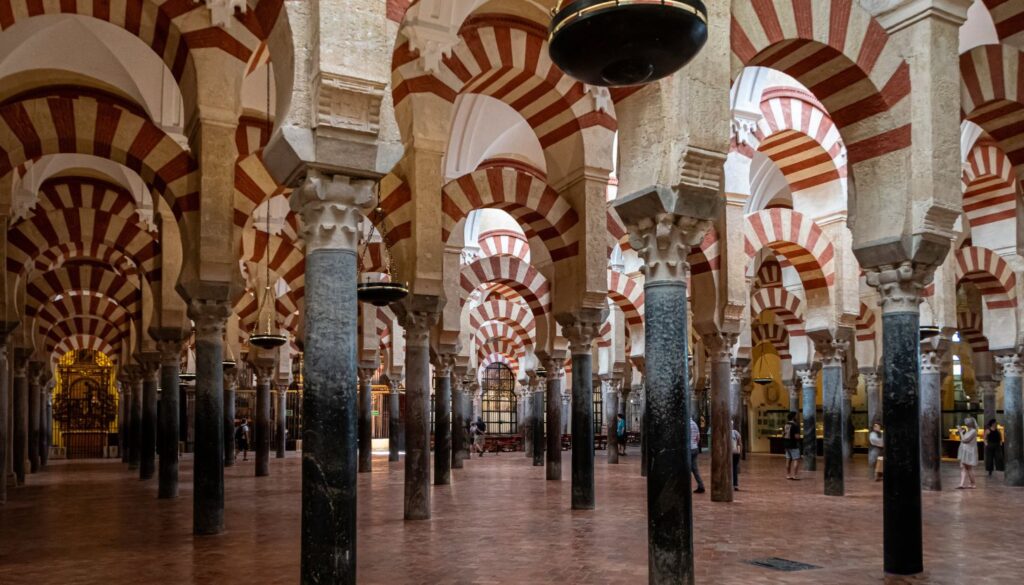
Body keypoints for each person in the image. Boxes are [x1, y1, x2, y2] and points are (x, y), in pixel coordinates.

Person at [957, 417, 979, 489]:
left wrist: (960, 432)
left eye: (967, 422)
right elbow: (963, 439)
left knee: (969, 468)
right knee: (962, 467)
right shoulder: (968, 431)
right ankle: (961, 484)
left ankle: (973, 483)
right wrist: (961, 432)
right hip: (964, 450)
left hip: (969, 451)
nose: (966, 422)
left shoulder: (973, 431)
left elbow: (965, 440)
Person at [782, 412, 801, 480]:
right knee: (796, 459)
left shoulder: (785, 424)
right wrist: (799, 437)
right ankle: (795, 475)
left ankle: (788, 475)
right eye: (796, 416)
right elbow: (797, 437)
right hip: (794, 444)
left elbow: (783, 434)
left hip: (786, 444)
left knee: (788, 460)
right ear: (793, 417)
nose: (797, 417)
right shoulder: (795, 425)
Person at [690, 417, 705, 494]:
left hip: (689, 449)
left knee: (684, 468)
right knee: (695, 469)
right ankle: (701, 485)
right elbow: (698, 437)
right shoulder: (695, 424)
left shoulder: (686, 424)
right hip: (695, 448)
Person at [731, 421, 743, 491]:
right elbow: (740, 443)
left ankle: (732, 484)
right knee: (734, 469)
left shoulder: (724, 433)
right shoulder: (736, 432)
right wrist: (739, 452)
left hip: (730, 453)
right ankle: (735, 485)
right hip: (735, 453)